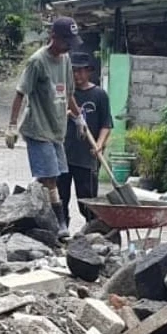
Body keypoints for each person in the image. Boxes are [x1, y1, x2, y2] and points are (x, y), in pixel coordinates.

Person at [5, 17, 85, 239]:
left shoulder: (66, 60)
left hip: (56, 129)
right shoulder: (37, 61)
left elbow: (68, 93)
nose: (69, 45)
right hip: (38, 128)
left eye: (71, 41)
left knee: (53, 175)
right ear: (54, 37)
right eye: (66, 41)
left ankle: (22, 203)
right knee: (50, 177)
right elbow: (20, 92)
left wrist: (79, 118)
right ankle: (61, 224)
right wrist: (12, 125)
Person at [57, 52, 113, 226]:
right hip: (63, 155)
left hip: (87, 157)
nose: (77, 75)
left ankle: (94, 233)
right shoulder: (64, 94)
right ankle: (62, 230)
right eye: (73, 71)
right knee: (60, 199)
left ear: (89, 72)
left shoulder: (99, 95)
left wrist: (99, 144)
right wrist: (64, 114)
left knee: (87, 203)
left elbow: (106, 124)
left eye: (81, 71)